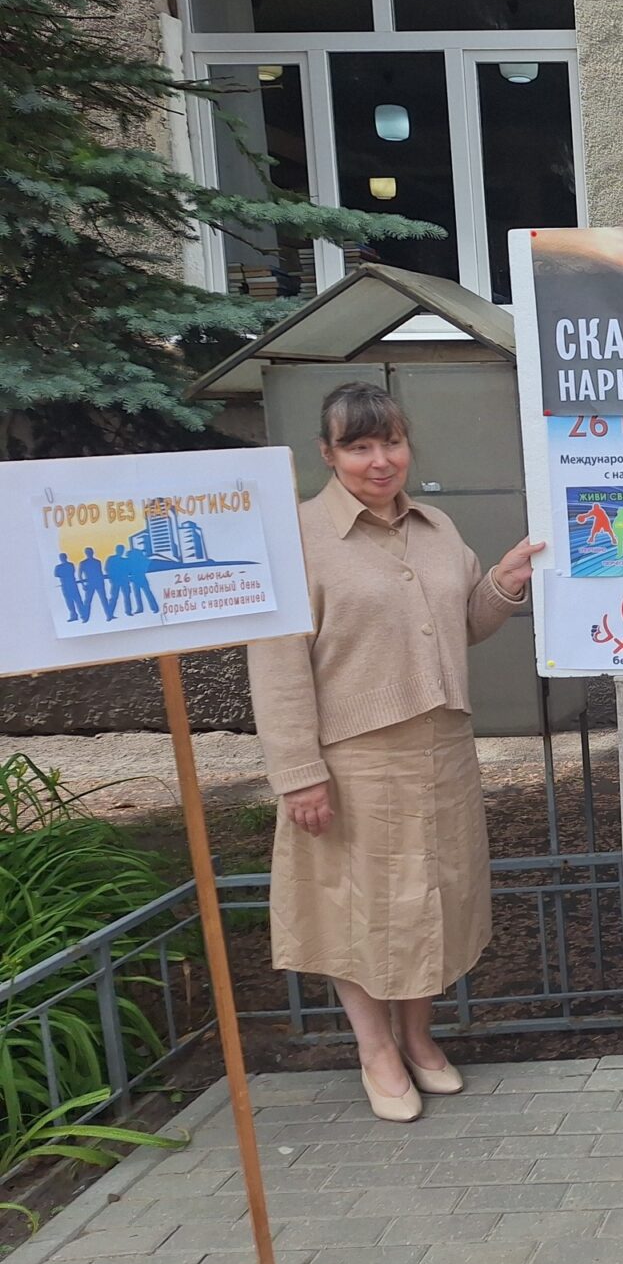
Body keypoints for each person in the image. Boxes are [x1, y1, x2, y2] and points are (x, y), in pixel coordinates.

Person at [247, 383, 543, 1124]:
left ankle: (417, 1037)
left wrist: (502, 583)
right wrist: (299, 773)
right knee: (356, 909)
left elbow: (460, 622)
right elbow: (278, 665)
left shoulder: (437, 528)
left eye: (392, 442)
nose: (380, 461)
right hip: (351, 760)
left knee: (432, 900)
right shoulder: (298, 538)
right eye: (359, 446)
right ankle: (375, 1049)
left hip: (442, 750)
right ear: (328, 454)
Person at [52, 552, 83, 623]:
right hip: (67, 585)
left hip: (69, 585)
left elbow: (59, 574)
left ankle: (81, 614)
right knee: (70, 601)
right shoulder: (64, 566)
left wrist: (62, 574)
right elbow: (56, 574)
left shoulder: (68, 565)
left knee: (76, 600)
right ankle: (75, 615)